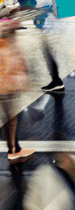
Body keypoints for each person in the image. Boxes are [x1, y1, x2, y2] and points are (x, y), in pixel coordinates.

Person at [0, 19, 33, 162]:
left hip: (7, 88)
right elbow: (9, 69)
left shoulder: (7, 44)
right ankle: (14, 151)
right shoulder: (5, 47)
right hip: (7, 89)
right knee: (12, 120)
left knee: (11, 118)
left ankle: (15, 148)